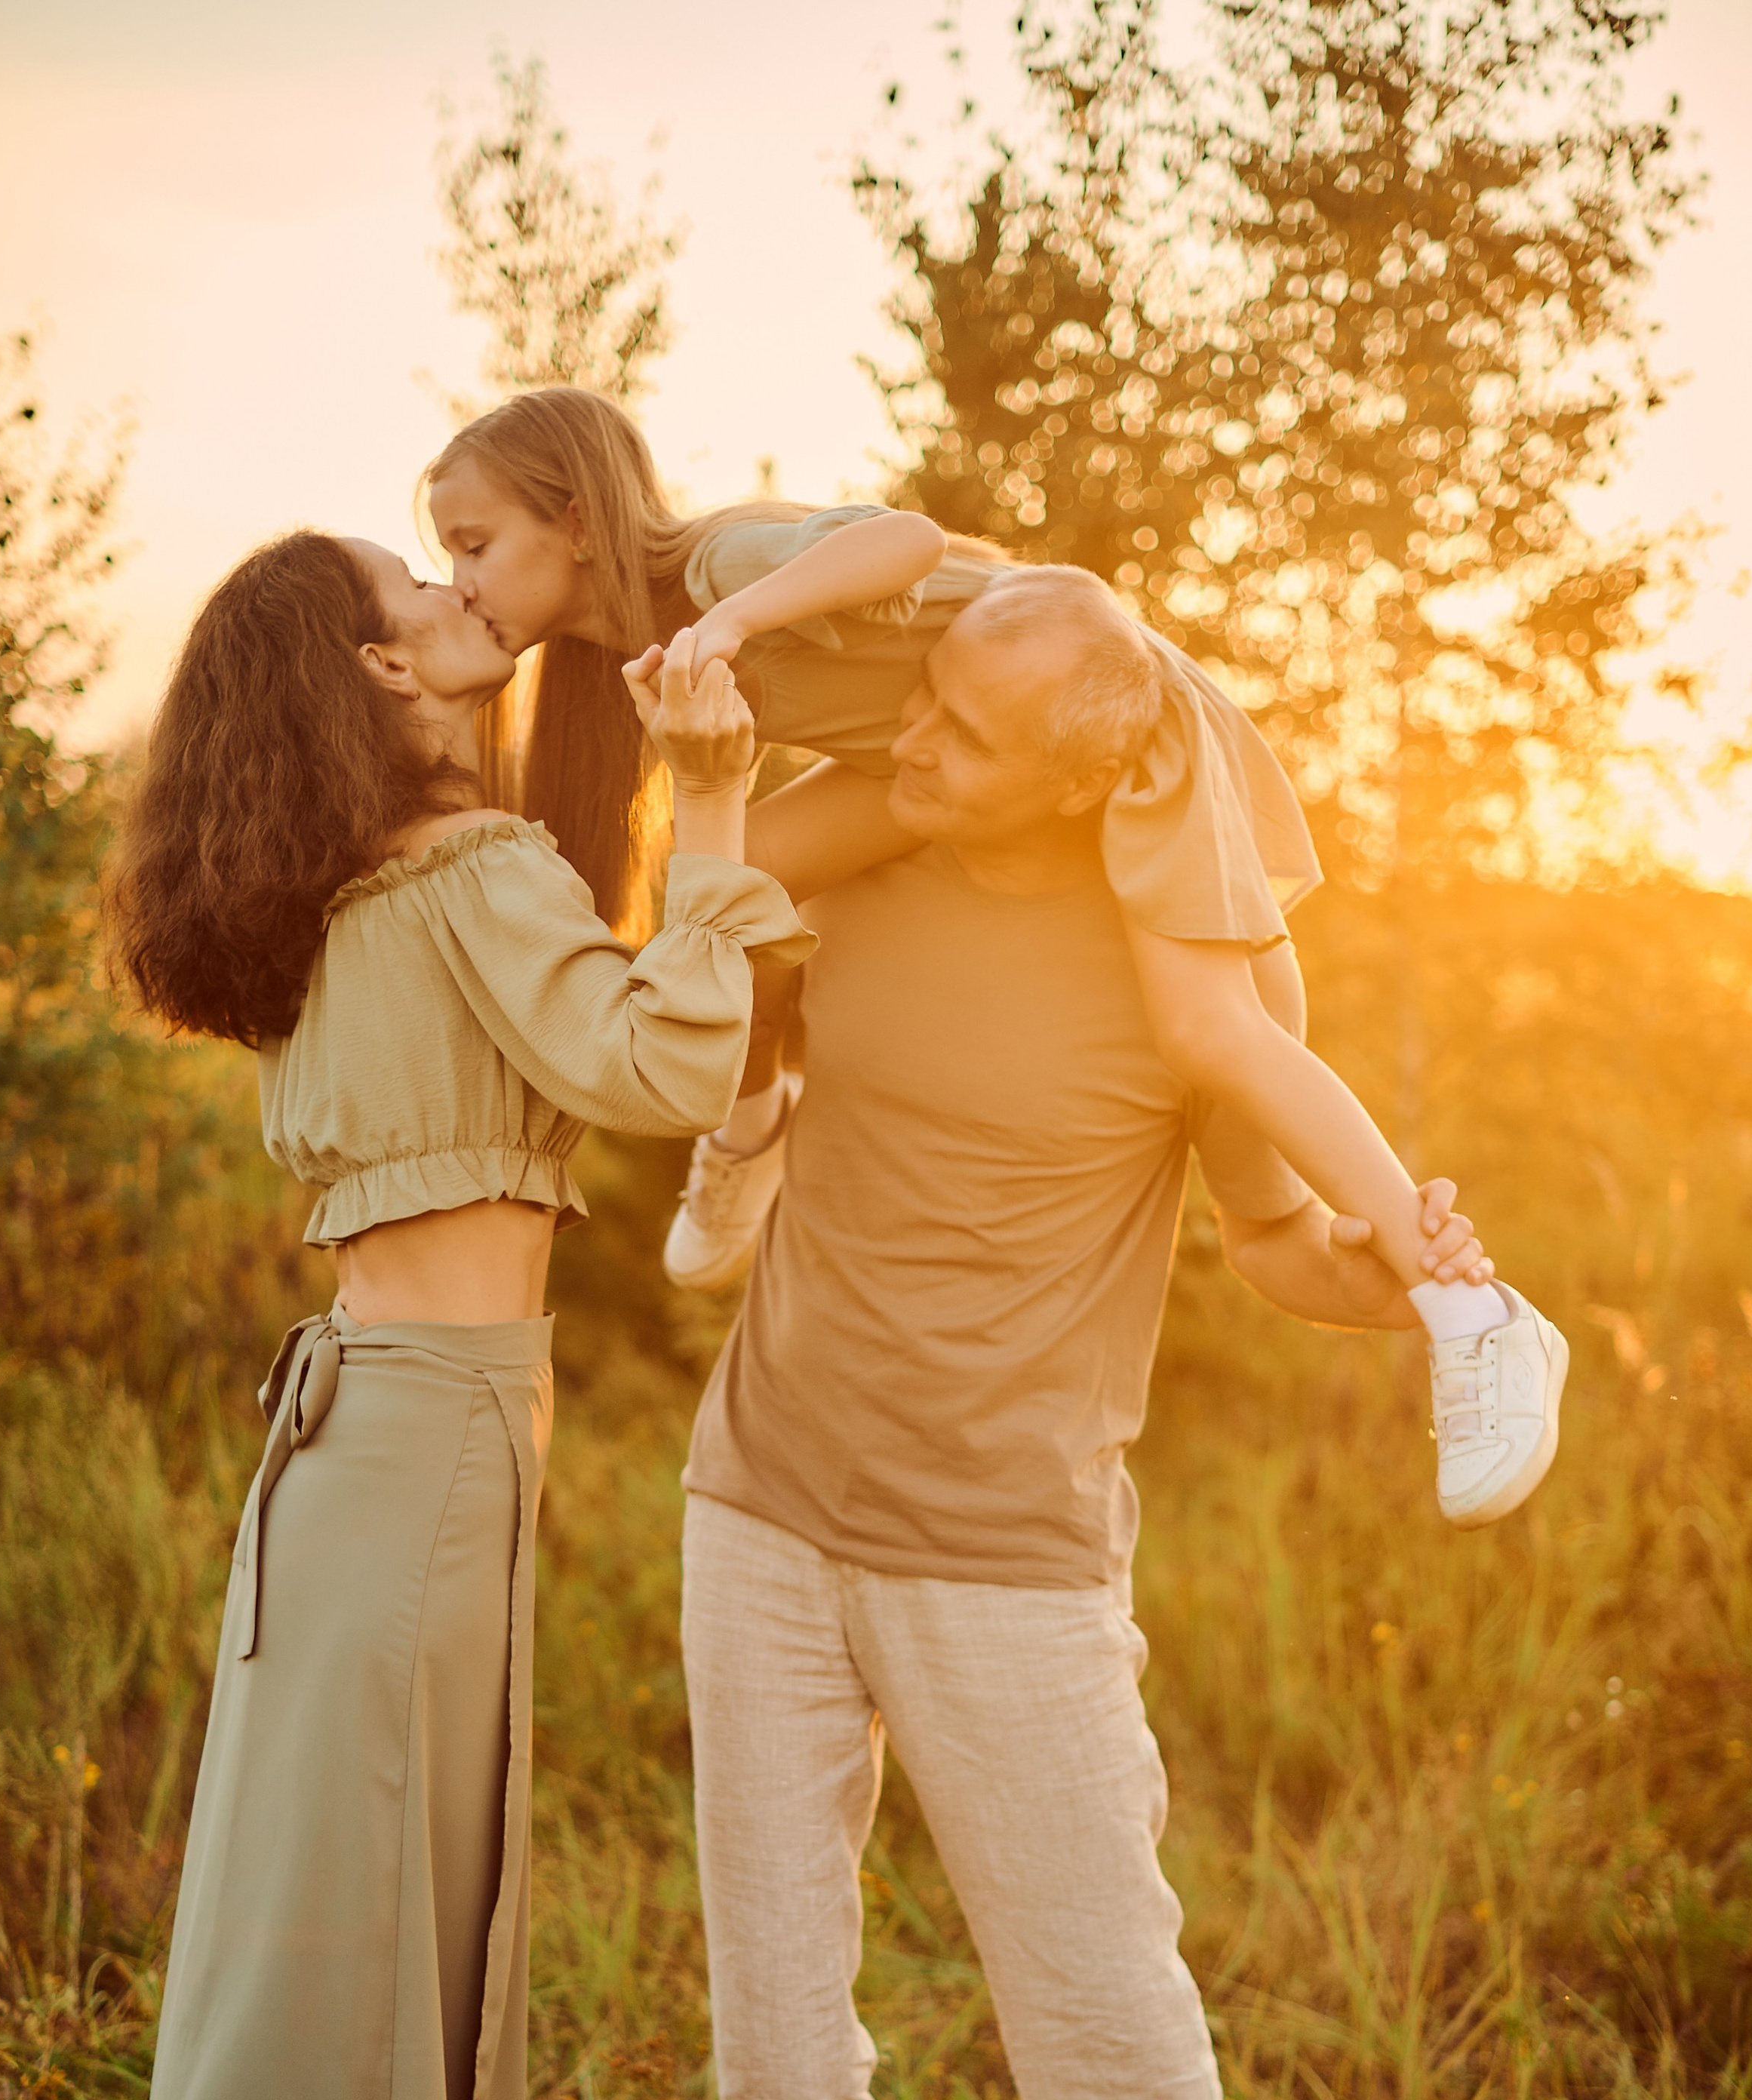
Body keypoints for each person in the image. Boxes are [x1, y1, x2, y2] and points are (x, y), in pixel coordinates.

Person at [17, 533, 810, 2100]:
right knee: (313, 1974)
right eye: (423, 581)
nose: (465, 596)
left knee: (376, 1941)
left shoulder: (363, 892)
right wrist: (720, 810)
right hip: (410, 1459)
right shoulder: (461, 868)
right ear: (375, 661)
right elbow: (663, 1060)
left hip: (389, 1439)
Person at [670, 571, 1505, 2100]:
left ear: (1095, 774)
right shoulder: (852, 857)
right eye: (927, 706)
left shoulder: (1198, 974)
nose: (917, 747)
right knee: (776, 2001)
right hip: (764, 1501)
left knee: (1102, 2000)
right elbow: (692, 925)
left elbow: (1274, 1251)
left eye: (967, 734)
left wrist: (1407, 1282)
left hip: (1012, 1553)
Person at [426, 384, 1566, 1533]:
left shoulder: (716, 572)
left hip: (1113, 728)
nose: (461, 579)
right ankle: (755, 1122)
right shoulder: (607, 673)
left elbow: (909, 539)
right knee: (735, 872)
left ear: (575, 520)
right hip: (950, 745)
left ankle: (1476, 1317)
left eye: (474, 544)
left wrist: (732, 625)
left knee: (1208, 1028)